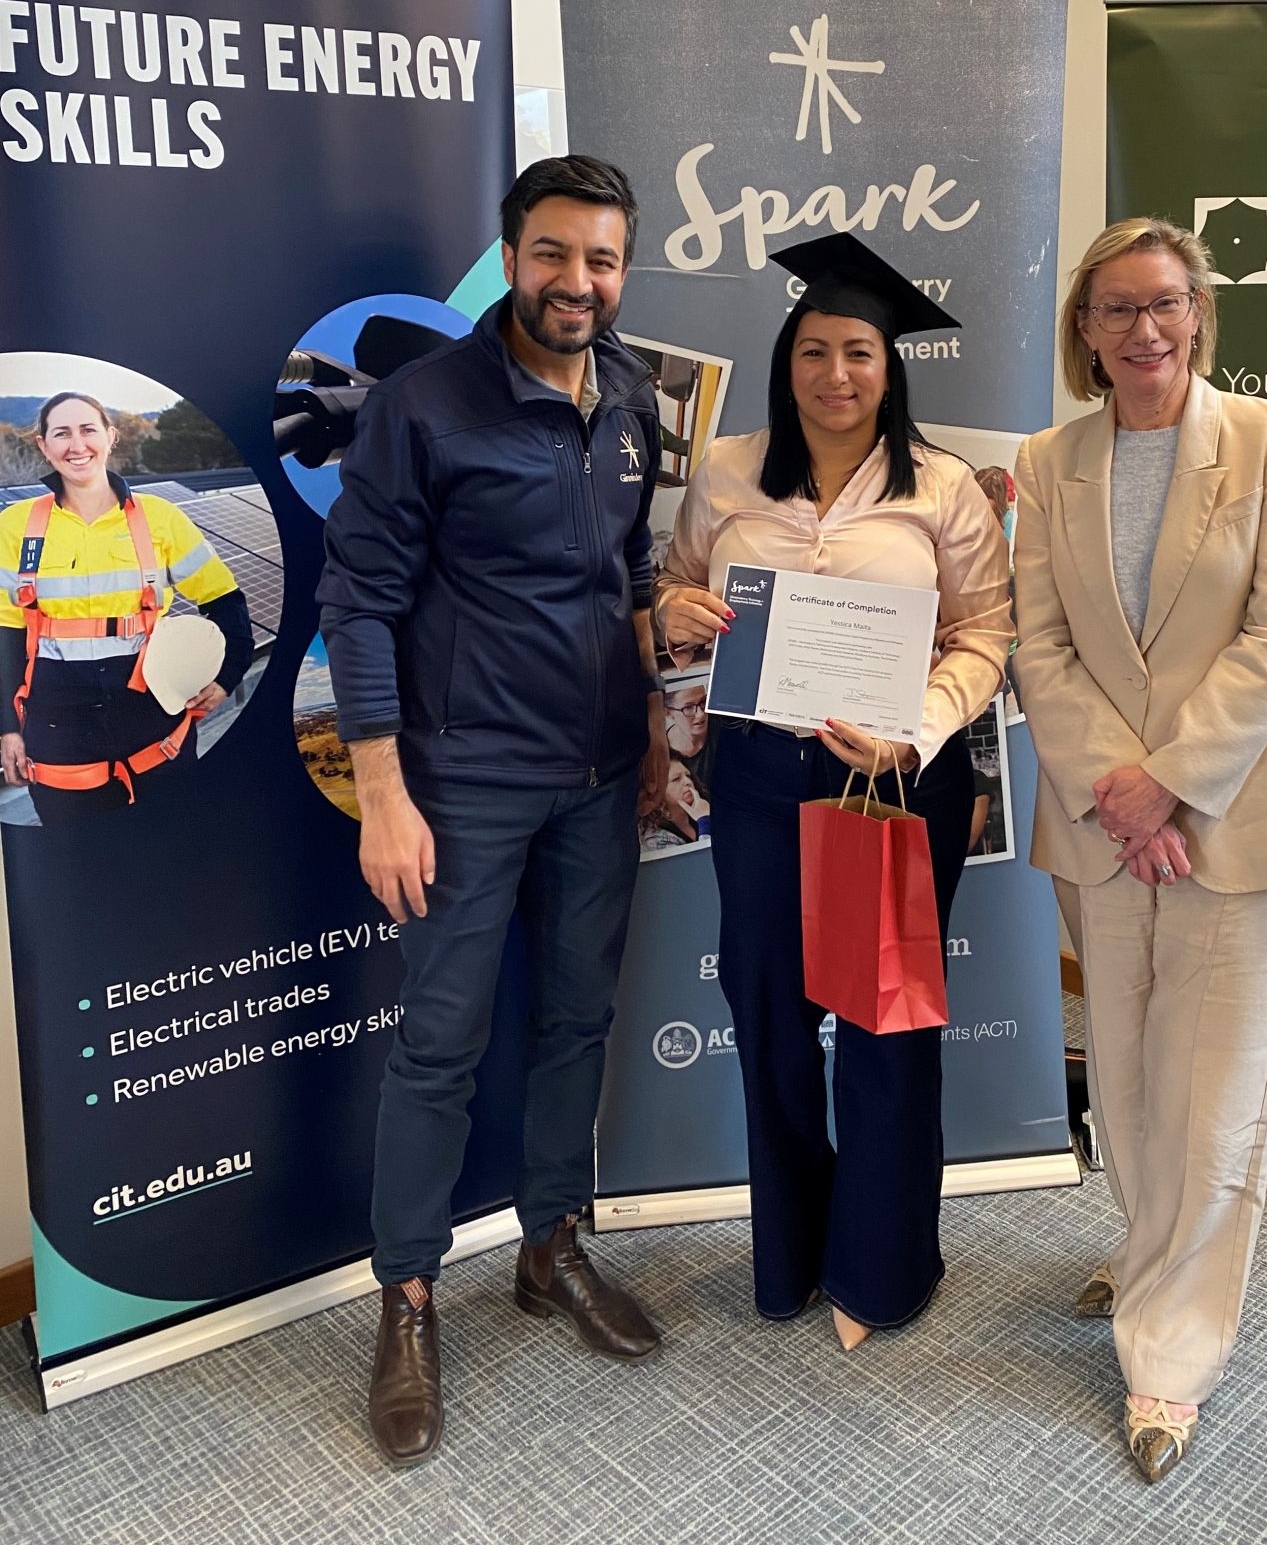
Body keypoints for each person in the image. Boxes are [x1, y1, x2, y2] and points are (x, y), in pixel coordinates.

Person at [318, 155, 670, 1469]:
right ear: (511, 256)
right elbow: (358, 602)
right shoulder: (423, 406)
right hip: (463, 781)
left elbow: (630, 564)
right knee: (441, 1044)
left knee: (576, 1017)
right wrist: (383, 794)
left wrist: (654, 728)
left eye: (603, 259)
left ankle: (550, 1243)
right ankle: (408, 1294)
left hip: (601, 772)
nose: (579, 281)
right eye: (555, 253)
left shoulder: (630, 394)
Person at [655, 233, 1011, 1351]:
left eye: (859, 352)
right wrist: (671, 611)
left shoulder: (942, 486)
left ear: (889, 368)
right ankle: (792, 1256)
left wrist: (917, 730)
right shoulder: (728, 470)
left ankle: (881, 1267)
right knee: (768, 1013)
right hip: (762, 776)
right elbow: (677, 581)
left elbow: (987, 633)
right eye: (815, 351)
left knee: (883, 1020)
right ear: (787, 360)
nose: (836, 374)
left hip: (894, 783)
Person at [1010, 217, 1267, 1482]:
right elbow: (1040, 643)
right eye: (1117, 308)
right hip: (1104, 826)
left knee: (1217, 1089)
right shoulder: (1049, 459)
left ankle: (1171, 1356)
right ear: (1084, 330)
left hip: (1228, 818)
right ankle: (1151, 1255)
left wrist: (1171, 783)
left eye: (1165, 303)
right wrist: (1119, 791)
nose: (1144, 328)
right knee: (1132, 1076)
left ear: (1198, 314)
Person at [0, 392, 253, 821]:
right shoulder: (13, 527)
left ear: (110, 436)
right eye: (61, 433)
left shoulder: (160, 517)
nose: (76, 445)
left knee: (173, 843)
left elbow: (224, 600)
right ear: (43, 445)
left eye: (88, 430)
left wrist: (228, 675)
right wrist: (7, 729)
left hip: (155, 726)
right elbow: (5, 637)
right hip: (59, 737)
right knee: (80, 856)